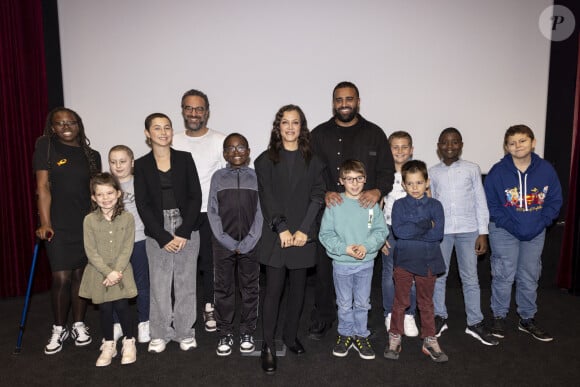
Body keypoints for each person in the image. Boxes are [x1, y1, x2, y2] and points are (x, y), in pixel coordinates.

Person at [309, 81, 395, 340]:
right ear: (333, 102)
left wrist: (377, 191)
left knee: (362, 273)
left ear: (358, 101)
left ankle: (360, 321)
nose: (344, 104)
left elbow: (387, 172)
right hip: (330, 212)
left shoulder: (375, 133)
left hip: (363, 214)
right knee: (325, 270)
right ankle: (324, 317)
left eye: (349, 99)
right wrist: (324, 191)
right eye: (339, 100)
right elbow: (310, 173)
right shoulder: (318, 134)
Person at [255, 105, 326, 374]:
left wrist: (305, 230)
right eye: (285, 122)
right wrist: (282, 228)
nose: (290, 127)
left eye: (295, 123)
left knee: (298, 290)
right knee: (273, 292)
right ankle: (269, 346)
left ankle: (289, 335)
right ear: (278, 127)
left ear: (302, 127)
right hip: (277, 236)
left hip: (303, 236)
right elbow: (267, 197)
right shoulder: (264, 160)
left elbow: (318, 195)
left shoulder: (315, 161)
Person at [484, 125, 562, 342]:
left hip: (535, 231)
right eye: (512, 143)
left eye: (522, 141)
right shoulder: (498, 172)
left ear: (533, 142)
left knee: (529, 275)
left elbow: (554, 201)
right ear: (506, 147)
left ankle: (527, 319)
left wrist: (541, 223)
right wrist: (512, 225)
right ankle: (499, 316)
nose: (517, 146)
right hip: (504, 231)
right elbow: (491, 204)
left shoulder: (546, 170)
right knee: (503, 274)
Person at [33, 107, 101, 355]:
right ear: (52, 127)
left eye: (71, 122)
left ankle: (79, 324)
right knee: (61, 277)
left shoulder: (91, 154)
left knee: (81, 277)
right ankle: (59, 327)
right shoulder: (46, 147)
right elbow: (42, 187)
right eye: (60, 123)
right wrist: (45, 222)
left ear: (79, 125)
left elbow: (95, 193)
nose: (66, 126)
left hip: (85, 224)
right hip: (57, 224)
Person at [134, 113, 202, 353]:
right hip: (157, 228)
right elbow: (142, 204)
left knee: (186, 282)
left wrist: (183, 232)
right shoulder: (141, 164)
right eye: (157, 128)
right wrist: (163, 236)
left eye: (167, 127)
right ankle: (160, 333)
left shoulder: (185, 159)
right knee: (160, 284)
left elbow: (196, 196)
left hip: (186, 225)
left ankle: (185, 332)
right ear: (147, 133)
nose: (163, 132)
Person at [429, 128, 499, 346]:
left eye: (454, 142)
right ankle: (439, 316)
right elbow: (430, 203)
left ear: (461, 144)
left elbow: (480, 201)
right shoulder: (432, 172)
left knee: (470, 278)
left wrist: (483, 233)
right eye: (445, 143)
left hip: (469, 231)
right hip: (442, 232)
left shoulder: (472, 169)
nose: (449, 147)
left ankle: (475, 322)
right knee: (439, 277)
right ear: (438, 146)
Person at [319, 159, 388, 360]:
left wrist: (366, 247)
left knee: (362, 302)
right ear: (341, 181)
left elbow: (380, 230)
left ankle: (361, 335)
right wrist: (344, 249)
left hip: (365, 264)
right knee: (344, 303)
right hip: (341, 264)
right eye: (349, 179)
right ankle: (345, 334)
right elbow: (326, 234)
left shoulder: (370, 204)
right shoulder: (334, 204)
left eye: (359, 178)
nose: (355, 183)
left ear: (365, 179)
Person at [172, 89, 226, 333]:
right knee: (180, 266)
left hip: (209, 214)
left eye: (199, 109)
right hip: (179, 214)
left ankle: (209, 306)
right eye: (189, 108)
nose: (194, 113)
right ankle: (181, 310)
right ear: (183, 110)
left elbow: (228, 179)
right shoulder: (171, 140)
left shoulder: (220, 141)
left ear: (207, 112)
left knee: (209, 264)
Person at [384, 160, 448, 363]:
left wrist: (415, 229)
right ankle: (395, 335)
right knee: (400, 301)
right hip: (404, 259)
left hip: (429, 260)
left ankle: (429, 338)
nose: (414, 187)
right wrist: (424, 224)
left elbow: (437, 235)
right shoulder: (399, 205)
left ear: (427, 182)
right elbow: (400, 233)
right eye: (410, 183)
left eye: (419, 183)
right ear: (403, 184)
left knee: (426, 303)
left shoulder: (436, 205)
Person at [207, 133, 263, 356]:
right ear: (224, 154)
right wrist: (227, 240)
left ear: (248, 152)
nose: (236, 152)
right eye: (230, 148)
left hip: (252, 242)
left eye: (241, 148)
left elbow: (261, 210)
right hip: (223, 244)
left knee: (250, 287)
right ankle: (225, 332)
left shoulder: (257, 177)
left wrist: (250, 240)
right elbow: (212, 211)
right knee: (224, 288)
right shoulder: (218, 177)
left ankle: (248, 330)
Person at [79, 172, 138, 366]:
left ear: (118, 193)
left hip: (121, 271)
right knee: (104, 309)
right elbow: (91, 251)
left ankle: (129, 342)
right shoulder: (89, 220)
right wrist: (108, 272)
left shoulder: (128, 218)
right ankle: (109, 343)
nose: (105, 198)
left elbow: (127, 248)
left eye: (109, 193)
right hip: (99, 273)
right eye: (100, 194)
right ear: (93, 197)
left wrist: (117, 271)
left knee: (122, 307)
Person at [109, 145, 151, 343]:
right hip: (114, 246)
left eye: (123, 161)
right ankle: (118, 324)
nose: (118, 166)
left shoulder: (140, 183)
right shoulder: (107, 186)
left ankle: (144, 322)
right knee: (117, 285)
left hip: (139, 240)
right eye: (113, 162)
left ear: (132, 162)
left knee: (142, 284)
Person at [381, 131, 418, 336]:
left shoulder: (418, 174)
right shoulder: (383, 176)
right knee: (389, 274)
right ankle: (390, 314)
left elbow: (428, 202)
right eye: (395, 147)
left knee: (410, 275)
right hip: (388, 231)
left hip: (413, 234)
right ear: (389, 149)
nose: (400, 151)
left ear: (412, 150)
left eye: (405, 147)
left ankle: (409, 314)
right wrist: (377, 235)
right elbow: (376, 208)